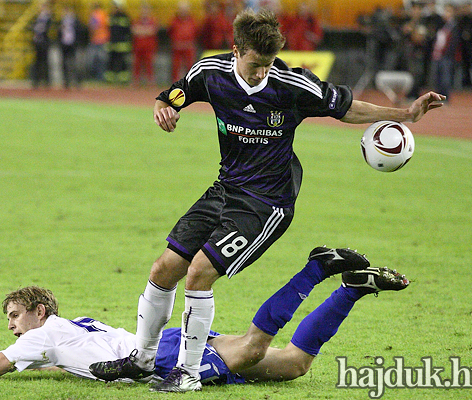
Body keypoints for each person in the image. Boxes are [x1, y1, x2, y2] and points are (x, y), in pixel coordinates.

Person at [89, 8, 445, 393]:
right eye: (256, 64)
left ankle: (188, 373)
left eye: (269, 64)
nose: (262, 72)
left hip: (266, 204)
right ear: (236, 49)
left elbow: (347, 107)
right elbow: (178, 91)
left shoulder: (292, 85)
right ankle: (142, 360)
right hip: (225, 189)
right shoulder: (211, 72)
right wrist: (165, 106)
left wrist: (405, 113)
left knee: (199, 272)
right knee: (164, 268)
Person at [0, 249, 410, 384]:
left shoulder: (41, 336)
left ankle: (316, 267)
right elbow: (67, 364)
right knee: (295, 363)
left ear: (40, 312)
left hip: (164, 358)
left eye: (15, 317)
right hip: (162, 346)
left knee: (257, 346)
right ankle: (352, 289)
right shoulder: (67, 332)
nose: (12, 328)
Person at [168, 1, 199, 82]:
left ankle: (190, 83)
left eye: (185, 9)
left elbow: (196, 33)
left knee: (190, 66)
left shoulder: (192, 20)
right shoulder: (174, 21)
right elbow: (170, 32)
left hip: (188, 48)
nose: (183, 11)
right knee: (176, 66)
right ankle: (175, 83)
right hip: (177, 48)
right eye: (181, 9)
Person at [131, 2, 159, 85]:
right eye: (143, 9)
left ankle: (150, 81)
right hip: (138, 46)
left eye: (146, 10)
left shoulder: (153, 20)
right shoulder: (137, 20)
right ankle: (136, 80)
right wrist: (146, 30)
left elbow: (152, 31)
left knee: (149, 64)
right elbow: (134, 30)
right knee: (137, 64)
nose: (144, 12)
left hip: (149, 47)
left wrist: (141, 31)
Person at [105, 0, 132, 84]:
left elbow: (128, 31)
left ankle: (123, 80)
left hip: (122, 44)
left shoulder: (125, 17)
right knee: (111, 62)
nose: (114, 8)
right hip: (112, 44)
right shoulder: (111, 16)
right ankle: (110, 80)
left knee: (122, 62)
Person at [58, 4, 81, 89]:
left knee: (74, 63)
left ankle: (77, 82)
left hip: (73, 44)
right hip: (64, 44)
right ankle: (66, 82)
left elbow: (80, 31)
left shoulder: (75, 21)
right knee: (64, 63)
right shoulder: (61, 21)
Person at [31, 1, 52, 88]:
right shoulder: (37, 18)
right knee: (37, 62)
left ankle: (46, 81)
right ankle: (36, 81)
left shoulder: (48, 18)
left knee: (45, 62)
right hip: (38, 42)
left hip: (44, 43)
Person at [87, 2, 110, 81]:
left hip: (96, 40)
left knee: (95, 60)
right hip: (104, 39)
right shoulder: (105, 14)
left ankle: (98, 77)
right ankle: (102, 76)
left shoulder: (94, 15)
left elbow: (92, 27)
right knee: (103, 59)